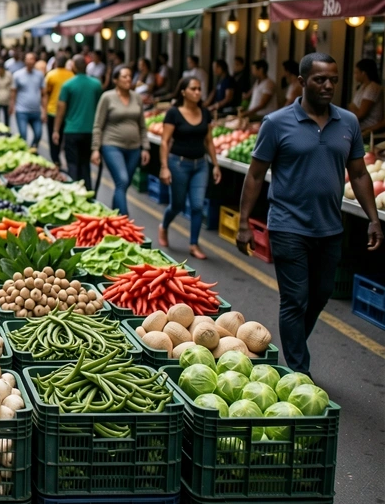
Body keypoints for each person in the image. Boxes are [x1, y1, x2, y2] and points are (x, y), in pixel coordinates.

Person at [237, 53, 382, 376]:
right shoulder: (276, 123)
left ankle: (293, 346)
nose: (328, 85)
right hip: (288, 226)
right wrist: (244, 222)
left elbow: (358, 173)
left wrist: (373, 218)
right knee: (295, 300)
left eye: (333, 79)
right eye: (320, 80)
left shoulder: (348, 122)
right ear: (303, 82)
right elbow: (256, 174)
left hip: (330, 227)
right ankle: (300, 372)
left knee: (320, 295)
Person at [158, 75, 222, 259]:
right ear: (183, 92)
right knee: (177, 205)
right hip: (178, 163)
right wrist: (164, 167)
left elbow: (209, 141)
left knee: (197, 205)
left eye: (199, 89)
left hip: (200, 164)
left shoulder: (205, 112)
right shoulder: (174, 113)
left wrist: (215, 165)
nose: (197, 92)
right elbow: (164, 141)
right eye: (193, 89)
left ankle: (194, 244)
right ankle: (164, 226)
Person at [92, 65, 150, 216]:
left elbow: (142, 125)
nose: (128, 79)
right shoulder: (107, 97)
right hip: (112, 145)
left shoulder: (136, 97)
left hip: (134, 148)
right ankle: (125, 220)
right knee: (122, 180)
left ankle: (114, 216)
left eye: (130, 76)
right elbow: (98, 124)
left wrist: (145, 147)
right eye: (124, 76)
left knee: (123, 185)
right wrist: (95, 149)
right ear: (115, 80)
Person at [53, 55, 103, 190]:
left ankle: (74, 192)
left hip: (72, 131)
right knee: (85, 164)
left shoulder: (68, 85)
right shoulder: (96, 84)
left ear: (74, 67)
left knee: (73, 165)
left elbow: (60, 110)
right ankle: (88, 193)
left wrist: (56, 130)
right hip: (90, 131)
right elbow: (100, 108)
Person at [42, 54, 74, 163]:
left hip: (53, 111)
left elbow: (45, 94)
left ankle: (55, 159)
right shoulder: (71, 75)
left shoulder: (50, 75)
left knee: (53, 135)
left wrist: (44, 110)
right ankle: (59, 157)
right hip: (66, 112)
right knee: (62, 136)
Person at [11, 52, 45, 150]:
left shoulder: (39, 75)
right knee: (23, 135)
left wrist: (44, 110)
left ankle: (33, 149)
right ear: (25, 61)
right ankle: (24, 153)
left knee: (38, 134)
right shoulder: (18, 75)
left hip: (36, 111)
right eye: (27, 59)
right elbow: (13, 92)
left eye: (32, 59)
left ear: (35, 61)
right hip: (22, 110)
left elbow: (44, 94)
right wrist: (12, 106)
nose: (29, 61)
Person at [349, 58, 384, 133]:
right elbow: (351, 106)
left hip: (367, 129)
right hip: (358, 126)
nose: (355, 76)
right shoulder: (362, 87)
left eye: (356, 73)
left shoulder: (373, 88)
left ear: (363, 73)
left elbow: (360, 114)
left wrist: (354, 110)